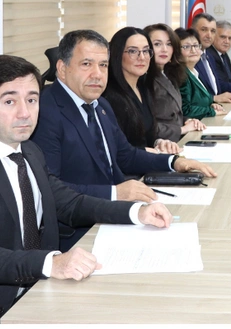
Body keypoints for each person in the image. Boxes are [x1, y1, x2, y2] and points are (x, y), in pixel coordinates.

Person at [0, 55, 173, 323]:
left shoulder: (30, 150)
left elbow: (69, 202)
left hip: (36, 294)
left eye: (32, 100)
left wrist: (135, 212)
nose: (24, 113)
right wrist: (51, 263)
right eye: (9, 101)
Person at [31, 30, 215, 250]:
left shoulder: (100, 105)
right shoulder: (44, 112)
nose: (97, 74)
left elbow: (125, 155)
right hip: (78, 233)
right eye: (86, 64)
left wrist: (174, 162)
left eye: (103, 65)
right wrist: (115, 193)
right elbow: (50, 189)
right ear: (62, 69)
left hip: (115, 217)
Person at [102, 27, 179, 153]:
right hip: (133, 164)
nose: (142, 57)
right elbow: (118, 150)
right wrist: (149, 152)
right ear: (117, 54)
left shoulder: (144, 86)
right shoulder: (110, 96)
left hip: (149, 160)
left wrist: (159, 142)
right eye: (133, 51)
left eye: (146, 51)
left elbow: (147, 134)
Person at [144, 23, 206, 142]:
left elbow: (174, 114)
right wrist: (182, 129)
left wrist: (188, 121)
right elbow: (147, 125)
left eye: (169, 44)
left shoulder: (169, 74)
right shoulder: (144, 79)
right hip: (162, 144)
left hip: (177, 140)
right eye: (157, 44)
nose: (164, 49)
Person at [177, 27, 226, 120]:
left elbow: (198, 101)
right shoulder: (180, 75)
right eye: (186, 47)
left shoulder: (194, 73)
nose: (193, 50)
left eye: (196, 46)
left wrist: (212, 105)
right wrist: (211, 111)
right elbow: (184, 110)